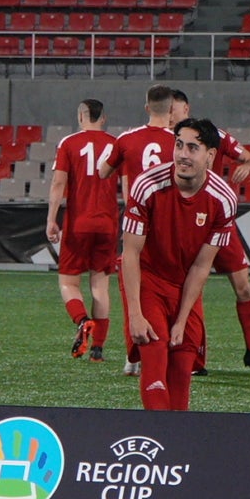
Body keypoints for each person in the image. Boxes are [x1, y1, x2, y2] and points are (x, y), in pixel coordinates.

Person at [120, 118, 239, 412]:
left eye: (193, 148)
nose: (183, 154)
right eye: (179, 145)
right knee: (156, 358)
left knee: (182, 370)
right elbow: (130, 254)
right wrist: (135, 313)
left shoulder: (224, 200)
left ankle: (177, 451)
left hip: (185, 286)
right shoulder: (146, 186)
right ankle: (162, 445)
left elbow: (201, 267)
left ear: (210, 155)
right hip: (147, 280)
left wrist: (183, 318)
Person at [168, 89, 250, 376]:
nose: (172, 115)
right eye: (168, 110)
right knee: (192, 289)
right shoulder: (170, 143)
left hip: (219, 221)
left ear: (186, 108)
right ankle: (194, 359)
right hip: (185, 224)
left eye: (176, 109)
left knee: (243, 286)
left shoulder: (215, 137)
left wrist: (248, 165)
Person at [105, 84, 182, 375]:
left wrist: (125, 164)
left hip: (136, 219)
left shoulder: (127, 139)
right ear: (171, 108)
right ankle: (176, 350)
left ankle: (133, 356)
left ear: (147, 107)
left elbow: (103, 170)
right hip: (172, 222)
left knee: (133, 288)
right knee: (174, 286)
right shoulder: (179, 140)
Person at [46, 98, 119, 361]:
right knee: (100, 285)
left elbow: (58, 183)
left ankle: (82, 321)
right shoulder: (115, 144)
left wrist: (51, 219)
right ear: (104, 117)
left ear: (80, 117)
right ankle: (98, 349)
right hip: (108, 223)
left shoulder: (68, 143)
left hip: (79, 223)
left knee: (68, 282)